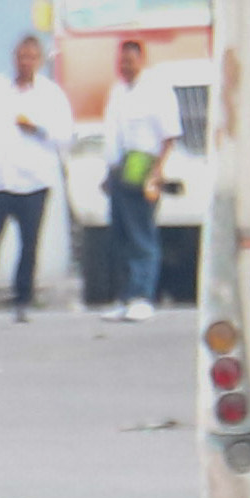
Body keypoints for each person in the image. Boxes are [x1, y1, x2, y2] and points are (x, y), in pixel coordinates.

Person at [0, 32, 68, 321]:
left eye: (32, 57)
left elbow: (65, 136)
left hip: (33, 181)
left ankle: (22, 302)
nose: (26, 62)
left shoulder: (51, 94)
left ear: (39, 61)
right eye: (21, 56)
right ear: (14, 59)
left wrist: (38, 129)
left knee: (29, 246)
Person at [100, 36, 186, 318]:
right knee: (120, 237)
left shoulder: (156, 90)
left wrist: (157, 171)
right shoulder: (117, 91)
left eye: (130, 59)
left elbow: (169, 135)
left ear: (141, 59)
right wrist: (107, 174)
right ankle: (124, 297)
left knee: (142, 235)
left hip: (143, 167)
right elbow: (114, 136)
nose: (125, 64)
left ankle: (142, 296)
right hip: (118, 170)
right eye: (121, 60)